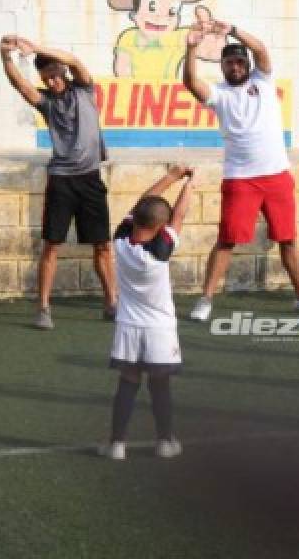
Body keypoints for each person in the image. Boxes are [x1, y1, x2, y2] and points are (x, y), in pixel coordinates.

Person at [181, 9, 299, 321]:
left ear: (247, 65)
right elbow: (191, 82)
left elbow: (260, 48)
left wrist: (231, 28)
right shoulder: (219, 94)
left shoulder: (263, 80)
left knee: (287, 239)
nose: (235, 66)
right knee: (227, 240)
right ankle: (206, 299)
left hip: (277, 176)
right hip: (241, 180)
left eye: (239, 61)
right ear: (222, 67)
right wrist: (191, 48)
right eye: (229, 63)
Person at [0, 35, 116, 329]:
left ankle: (111, 302)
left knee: (102, 245)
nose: (50, 82)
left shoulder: (85, 90)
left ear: (61, 71)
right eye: (45, 78)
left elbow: (75, 61)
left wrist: (36, 48)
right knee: (52, 245)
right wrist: (5, 57)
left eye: (53, 75)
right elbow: (20, 85)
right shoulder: (47, 103)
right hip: (62, 181)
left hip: (90, 179)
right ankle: (43, 308)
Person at [100, 165, 195, 460]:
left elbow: (145, 203)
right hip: (160, 330)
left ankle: (116, 444)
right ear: (160, 227)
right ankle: (165, 442)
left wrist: (171, 177)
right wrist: (190, 183)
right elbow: (178, 216)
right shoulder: (159, 252)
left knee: (128, 383)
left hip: (128, 325)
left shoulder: (119, 241)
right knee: (160, 385)